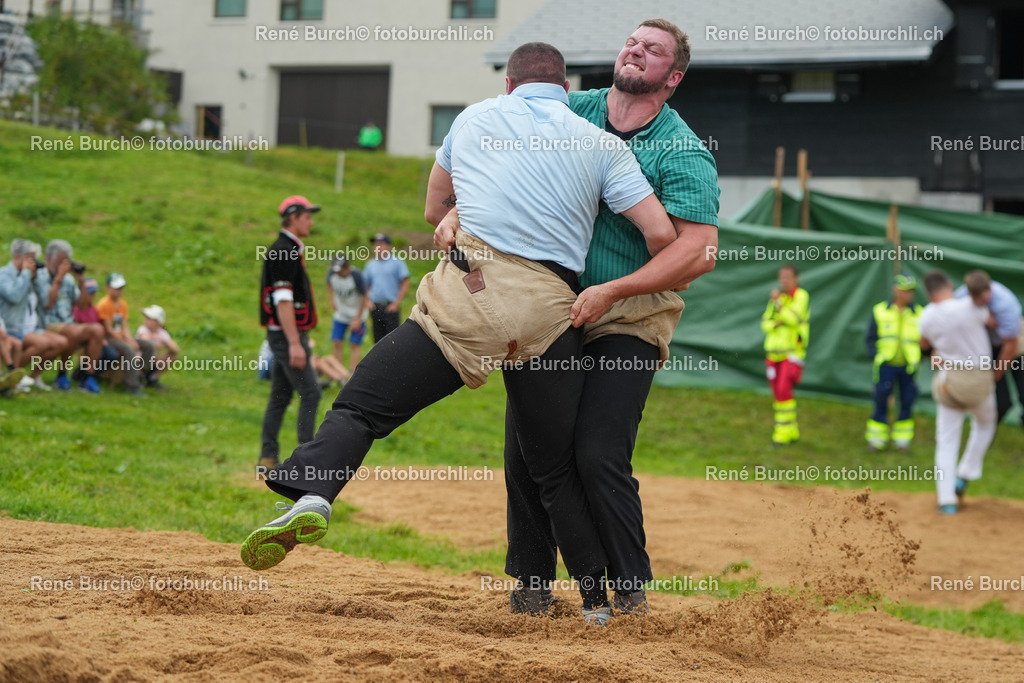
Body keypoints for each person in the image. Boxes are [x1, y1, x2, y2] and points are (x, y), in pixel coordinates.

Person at [242, 42, 680, 625]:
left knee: (362, 409)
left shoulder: (473, 118)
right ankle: (600, 606)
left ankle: (315, 493)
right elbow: (660, 234)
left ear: (509, 84)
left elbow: (434, 209)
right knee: (554, 469)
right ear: (566, 90)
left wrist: (463, 212)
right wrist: (620, 281)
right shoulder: (600, 143)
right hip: (552, 312)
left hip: (470, 296)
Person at [432, 19, 720, 619]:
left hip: (630, 314)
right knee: (528, 448)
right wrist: (457, 214)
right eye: (633, 42)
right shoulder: (571, 110)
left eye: (655, 51)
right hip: (549, 306)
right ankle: (532, 584)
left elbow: (695, 251)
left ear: (673, 78)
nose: (637, 51)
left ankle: (628, 591)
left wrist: (614, 289)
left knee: (596, 451)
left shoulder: (683, 149)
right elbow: (491, 164)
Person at [919, 270, 996, 514]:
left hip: (949, 380)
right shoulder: (969, 307)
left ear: (929, 294)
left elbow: (924, 344)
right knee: (985, 424)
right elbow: (994, 323)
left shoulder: (926, 315)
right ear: (949, 285)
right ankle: (964, 474)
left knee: (946, 440)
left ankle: (946, 500)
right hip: (977, 379)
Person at [258, 195, 323, 471]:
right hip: (287, 335)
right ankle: (306, 463)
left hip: (286, 335)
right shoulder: (284, 250)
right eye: (307, 216)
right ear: (294, 218)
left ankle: (267, 458)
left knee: (280, 396)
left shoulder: (288, 248)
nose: (311, 221)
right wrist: (295, 343)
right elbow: (283, 301)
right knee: (311, 392)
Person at [34, 239, 104, 394]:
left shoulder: (68, 279)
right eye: (60, 261)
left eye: (66, 261)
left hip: (67, 323)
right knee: (71, 331)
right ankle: (61, 375)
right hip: (46, 322)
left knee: (97, 330)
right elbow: (47, 304)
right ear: (50, 259)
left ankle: (88, 377)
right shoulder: (39, 276)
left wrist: (81, 281)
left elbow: (83, 305)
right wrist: (58, 279)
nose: (64, 265)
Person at [954, 271, 1022, 426]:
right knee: (1000, 401)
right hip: (988, 348)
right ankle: (987, 431)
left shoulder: (1006, 303)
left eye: (983, 299)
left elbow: (1010, 345)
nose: (978, 303)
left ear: (990, 289)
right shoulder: (960, 298)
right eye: (975, 299)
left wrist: (994, 376)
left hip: (1014, 345)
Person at [864, 274, 922, 451]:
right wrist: (875, 356)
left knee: (907, 400)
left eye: (911, 291)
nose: (908, 294)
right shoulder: (879, 311)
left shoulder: (920, 313)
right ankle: (876, 439)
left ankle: (902, 440)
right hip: (885, 365)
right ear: (896, 290)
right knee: (881, 398)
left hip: (909, 366)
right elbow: (870, 338)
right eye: (905, 290)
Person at [0, 239, 64, 393]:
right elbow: (14, 296)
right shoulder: (4, 275)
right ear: (18, 257)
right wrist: (26, 275)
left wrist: (35, 280)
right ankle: (14, 377)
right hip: (9, 327)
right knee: (41, 344)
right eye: (31, 258)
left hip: (27, 327)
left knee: (60, 342)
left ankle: (30, 377)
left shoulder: (28, 275)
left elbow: (45, 302)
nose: (34, 262)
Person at [761, 264, 810, 445]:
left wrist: (780, 306)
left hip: (792, 354)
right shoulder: (777, 298)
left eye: (788, 277)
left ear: (796, 279)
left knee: (784, 390)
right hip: (773, 354)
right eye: (781, 277)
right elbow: (766, 323)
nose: (784, 280)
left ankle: (782, 434)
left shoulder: (801, 296)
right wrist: (777, 322)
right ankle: (791, 430)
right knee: (777, 393)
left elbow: (793, 319)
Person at [96, 272, 154, 396]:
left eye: (121, 288)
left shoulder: (123, 304)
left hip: (121, 337)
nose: (119, 291)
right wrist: (126, 342)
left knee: (148, 346)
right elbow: (109, 329)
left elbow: (124, 325)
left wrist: (130, 339)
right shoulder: (104, 304)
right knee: (129, 350)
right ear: (108, 288)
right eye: (116, 288)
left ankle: (140, 374)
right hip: (109, 338)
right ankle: (132, 386)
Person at [361, 233, 409, 342]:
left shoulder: (397, 263)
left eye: (381, 244)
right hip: (375, 307)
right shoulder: (370, 264)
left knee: (393, 340)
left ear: (388, 247)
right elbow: (365, 285)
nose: (378, 247)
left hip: (390, 307)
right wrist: (368, 302)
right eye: (376, 245)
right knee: (377, 339)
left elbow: (405, 283)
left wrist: (396, 303)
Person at [326, 257, 368, 379]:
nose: (337, 273)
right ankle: (338, 370)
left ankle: (351, 373)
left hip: (356, 315)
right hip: (340, 314)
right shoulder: (332, 273)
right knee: (337, 341)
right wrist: (332, 299)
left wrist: (358, 319)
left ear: (347, 268)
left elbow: (364, 296)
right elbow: (329, 283)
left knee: (354, 343)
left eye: (340, 270)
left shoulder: (356, 276)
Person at [136, 304, 180, 390]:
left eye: (149, 318)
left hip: (153, 361)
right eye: (146, 317)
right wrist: (161, 345)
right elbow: (146, 342)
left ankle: (153, 378)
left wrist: (163, 341)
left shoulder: (161, 333)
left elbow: (176, 349)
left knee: (173, 355)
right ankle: (139, 378)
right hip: (140, 361)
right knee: (150, 351)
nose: (145, 320)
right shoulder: (143, 329)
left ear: (157, 322)